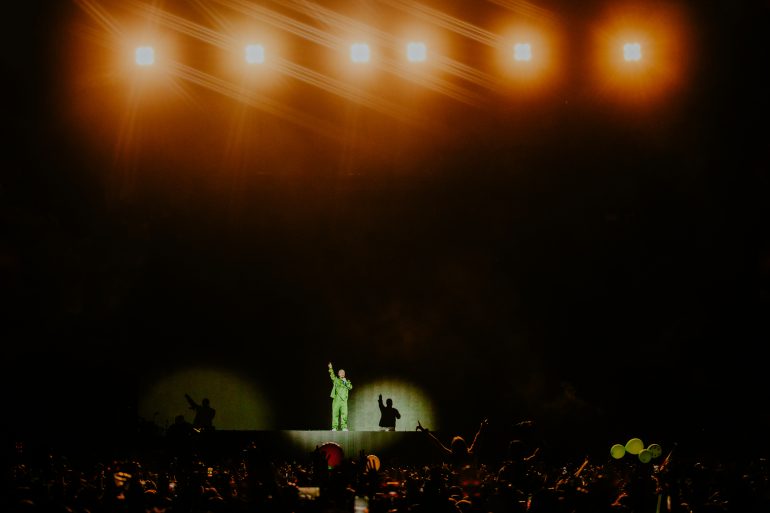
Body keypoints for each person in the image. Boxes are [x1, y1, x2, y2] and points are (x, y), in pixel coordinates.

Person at [416, 418, 488, 467]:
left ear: (453, 447)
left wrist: (425, 432)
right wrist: (482, 427)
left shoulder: (452, 457)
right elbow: (477, 440)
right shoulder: (470, 455)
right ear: (464, 445)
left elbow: (437, 444)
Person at [328, 362, 353, 431]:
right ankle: (334, 427)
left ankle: (344, 427)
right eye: (341, 372)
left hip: (343, 400)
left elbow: (350, 387)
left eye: (343, 372)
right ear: (338, 374)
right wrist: (330, 368)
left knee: (344, 414)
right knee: (335, 413)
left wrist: (345, 382)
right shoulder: (336, 380)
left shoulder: (347, 382)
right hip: (336, 399)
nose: (342, 373)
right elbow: (332, 375)